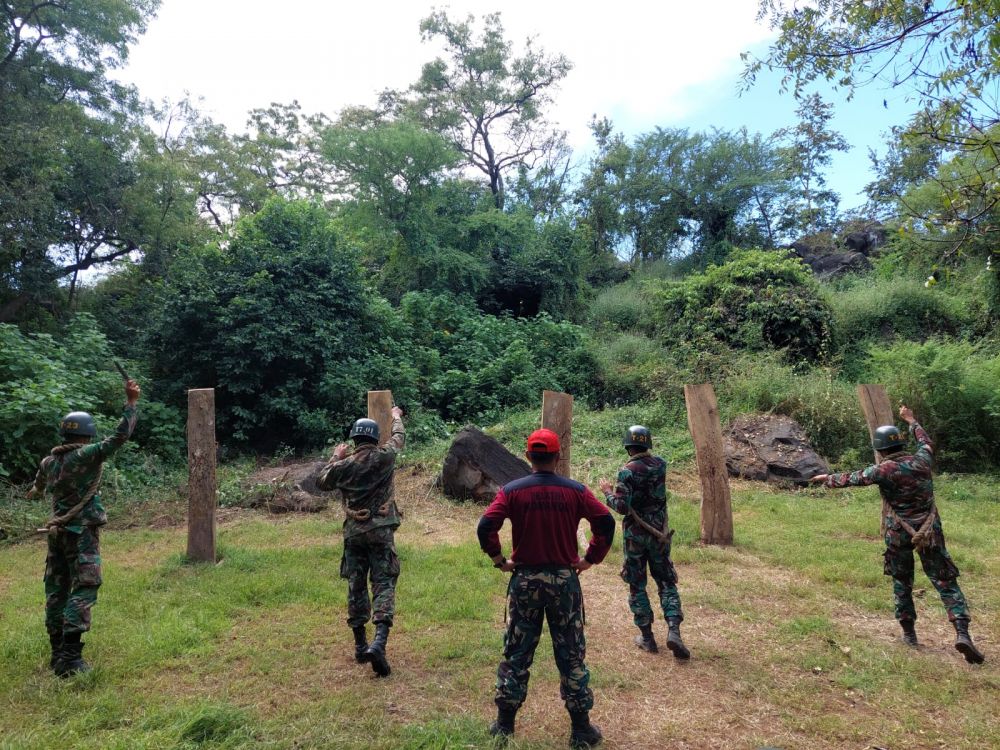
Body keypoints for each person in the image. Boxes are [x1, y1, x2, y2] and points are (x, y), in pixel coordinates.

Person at [810, 405, 985, 664]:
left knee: (902, 581)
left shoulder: (883, 470)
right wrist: (911, 420)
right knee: (945, 580)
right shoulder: (923, 459)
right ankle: (962, 632)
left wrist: (826, 478)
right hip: (929, 531)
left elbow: (853, 478)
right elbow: (925, 441)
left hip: (899, 533)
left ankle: (910, 635)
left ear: (880, 450)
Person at [477, 428, 615, 749]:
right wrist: (590, 558)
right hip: (564, 582)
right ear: (557, 456)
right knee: (571, 652)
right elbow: (605, 522)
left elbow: (486, 525)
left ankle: (504, 725)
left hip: (524, 580)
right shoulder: (576, 491)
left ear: (528, 457)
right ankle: (581, 730)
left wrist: (500, 560)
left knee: (517, 650)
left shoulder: (511, 491)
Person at [26, 377, 140, 676]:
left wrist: (36, 492)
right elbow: (119, 438)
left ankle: (56, 653)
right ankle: (70, 659)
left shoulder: (49, 462)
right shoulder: (86, 456)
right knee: (85, 585)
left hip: (57, 534)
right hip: (81, 533)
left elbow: (37, 487)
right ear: (88, 435)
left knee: (56, 589)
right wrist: (131, 404)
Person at [317, 406, 405, 677]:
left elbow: (321, 482)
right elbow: (398, 438)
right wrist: (397, 417)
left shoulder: (343, 466)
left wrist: (336, 455)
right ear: (375, 438)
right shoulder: (384, 457)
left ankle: (359, 645)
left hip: (354, 533)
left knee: (356, 586)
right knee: (384, 583)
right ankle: (379, 642)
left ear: (354, 439)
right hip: (381, 532)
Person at [599, 425, 689, 659]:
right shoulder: (661, 464)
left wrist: (607, 492)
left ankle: (647, 638)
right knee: (666, 581)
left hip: (636, 536)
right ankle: (673, 630)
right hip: (659, 532)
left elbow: (621, 507)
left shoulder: (627, 472)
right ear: (648, 444)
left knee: (637, 584)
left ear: (628, 446)